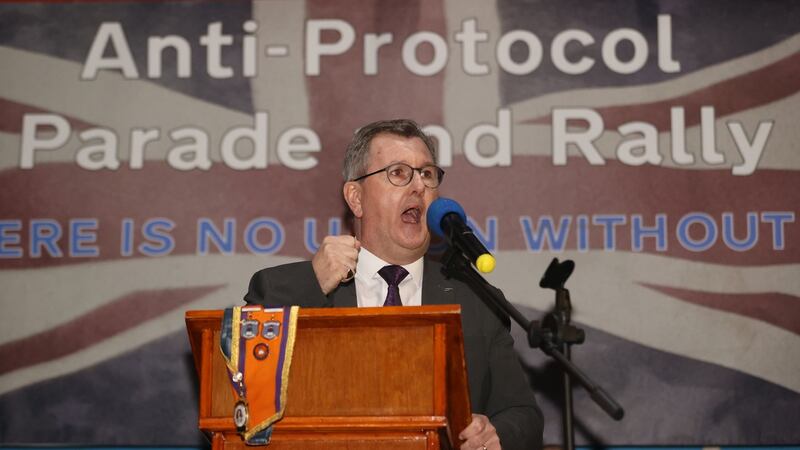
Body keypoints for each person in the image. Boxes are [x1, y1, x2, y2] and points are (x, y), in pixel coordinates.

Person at [245, 119, 543, 450]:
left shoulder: (476, 300)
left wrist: (496, 432)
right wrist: (312, 284)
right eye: (399, 173)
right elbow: (246, 391)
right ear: (356, 198)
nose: (419, 187)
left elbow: (523, 415)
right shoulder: (290, 287)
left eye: (427, 174)